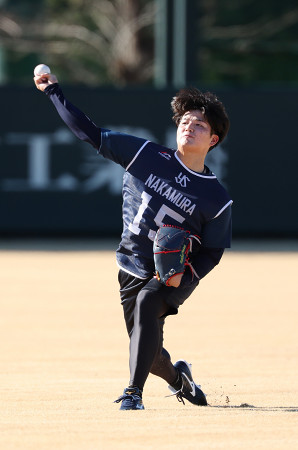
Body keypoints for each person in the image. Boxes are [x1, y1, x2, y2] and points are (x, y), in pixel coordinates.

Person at [34, 72, 232, 410]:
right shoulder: (146, 155)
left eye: (199, 125)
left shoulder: (216, 198)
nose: (189, 126)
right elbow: (89, 132)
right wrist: (53, 91)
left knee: (148, 304)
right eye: (185, 121)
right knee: (150, 354)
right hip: (131, 263)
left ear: (213, 140)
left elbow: (213, 251)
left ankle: (133, 394)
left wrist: (187, 276)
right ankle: (179, 379)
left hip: (171, 273)